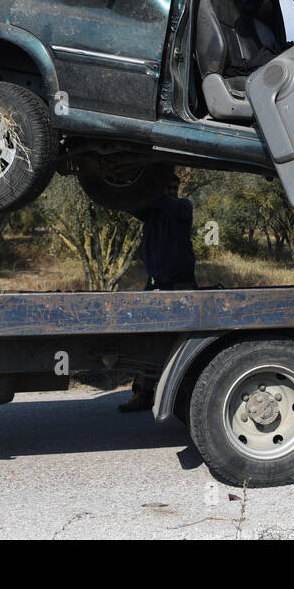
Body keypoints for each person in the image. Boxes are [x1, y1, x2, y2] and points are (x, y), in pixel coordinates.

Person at [119, 172, 197, 413]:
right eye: (168, 187)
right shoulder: (151, 212)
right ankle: (143, 393)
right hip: (155, 283)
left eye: (175, 186)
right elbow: (128, 204)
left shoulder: (184, 207)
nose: (172, 190)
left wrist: (148, 185)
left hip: (180, 284)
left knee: (182, 339)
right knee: (147, 337)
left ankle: (188, 393)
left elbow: (164, 203)